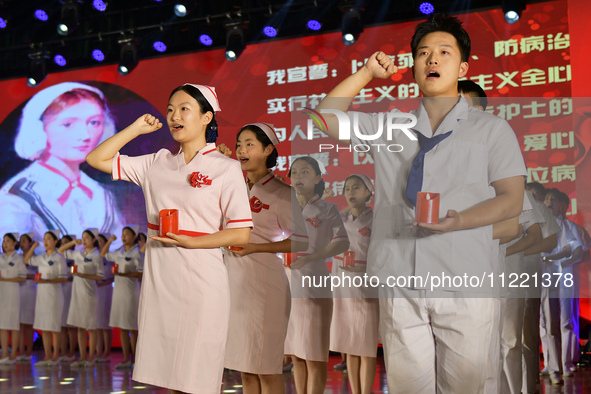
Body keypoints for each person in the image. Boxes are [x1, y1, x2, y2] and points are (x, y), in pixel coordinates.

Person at [315, 14, 526, 392]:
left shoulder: (490, 130)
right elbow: (325, 119)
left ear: (462, 67)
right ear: (413, 66)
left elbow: (511, 200)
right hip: (399, 275)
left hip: (463, 275)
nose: (432, 59)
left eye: (444, 52)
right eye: (424, 53)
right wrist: (365, 73)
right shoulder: (390, 126)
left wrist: (457, 221)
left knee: (465, 386)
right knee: (406, 386)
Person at [86, 83, 252, 394]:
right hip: (162, 283)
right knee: (171, 379)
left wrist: (194, 242)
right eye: (171, 109)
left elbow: (241, 232)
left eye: (184, 109)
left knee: (198, 378)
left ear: (206, 118)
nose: (175, 116)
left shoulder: (226, 168)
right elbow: (96, 159)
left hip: (203, 282)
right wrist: (135, 129)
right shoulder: (156, 162)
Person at [222, 123, 308, 394]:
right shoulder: (233, 188)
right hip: (234, 286)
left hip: (265, 287)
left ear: (268, 149)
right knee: (245, 368)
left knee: (266, 369)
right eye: (239, 144)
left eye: (249, 144)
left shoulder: (282, 193)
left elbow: (303, 240)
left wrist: (256, 248)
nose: (241, 150)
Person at [0, 82, 124, 247]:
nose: (85, 135)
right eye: (68, 124)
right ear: (39, 130)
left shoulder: (100, 192)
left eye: (94, 122)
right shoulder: (19, 195)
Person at [285, 156, 349, 394]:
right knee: (297, 354)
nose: (298, 177)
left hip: (314, 282)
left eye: (305, 172)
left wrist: (310, 257)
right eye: (294, 173)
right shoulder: (285, 208)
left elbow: (342, 242)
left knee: (314, 353)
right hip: (289, 283)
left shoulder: (327, 209)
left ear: (318, 178)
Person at [329, 174, 379, 394]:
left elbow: (382, 255)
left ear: (369, 192)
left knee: (366, 346)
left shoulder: (376, 220)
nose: (350, 192)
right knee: (349, 343)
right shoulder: (340, 219)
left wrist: (363, 269)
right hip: (342, 285)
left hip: (365, 286)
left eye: (356, 188)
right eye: (347, 188)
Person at [58, 228, 104, 367]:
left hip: (90, 294)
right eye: (82, 238)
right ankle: (82, 357)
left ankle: (91, 357)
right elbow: (60, 252)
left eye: (87, 238)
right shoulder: (78, 253)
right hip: (77, 293)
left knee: (91, 326)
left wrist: (84, 275)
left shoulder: (97, 256)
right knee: (80, 326)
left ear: (94, 240)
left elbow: (100, 276)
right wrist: (72, 242)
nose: (84, 241)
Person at [23, 230, 68, 366]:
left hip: (54, 294)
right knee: (45, 326)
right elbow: (27, 260)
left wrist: (48, 281)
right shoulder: (41, 257)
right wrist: (33, 247)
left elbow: (64, 277)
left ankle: (56, 356)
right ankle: (47, 356)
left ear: (56, 241)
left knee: (54, 326)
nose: (46, 241)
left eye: (49, 239)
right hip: (42, 294)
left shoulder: (59, 258)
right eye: (44, 239)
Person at [101, 227, 143, 369]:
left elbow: (141, 273)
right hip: (118, 292)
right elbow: (103, 254)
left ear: (134, 236)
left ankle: (136, 360)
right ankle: (126, 359)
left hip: (131, 293)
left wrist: (125, 274)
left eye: (127, 235)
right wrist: (110, 241)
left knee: (132, 327)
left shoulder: (137, 253)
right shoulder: (119, 251)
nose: (124, 237)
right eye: (122, 235)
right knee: (122, 327)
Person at [0, 233, 27, 364]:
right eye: (4, 241)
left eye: (8, 241)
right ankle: (5, 353)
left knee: (13, 324)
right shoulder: (1, 257)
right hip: (2, 293)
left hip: (13, 293)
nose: (5, 244)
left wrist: (6, 279)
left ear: (15, 243)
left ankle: (13, 355)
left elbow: (23, 278)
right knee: (2, 325)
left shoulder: (19, 258)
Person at [16, 232, 37, 362]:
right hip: (18, 290)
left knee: (29, 324)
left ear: (30, 243)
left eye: (24, 241)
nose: (22, 243)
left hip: (30, 290)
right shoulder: (16, 257)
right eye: (20, 241)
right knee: (19, 324)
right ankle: (20, 351)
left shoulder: (36, 257)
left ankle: (29, 352)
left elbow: (38, 275)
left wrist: (26, 277)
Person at [58, 234, 78, 362]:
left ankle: (71, 353)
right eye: (62, 242)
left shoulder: (75, 256)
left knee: (71, 324)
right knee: (61, 324)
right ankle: (63, 352)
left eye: (67, 242)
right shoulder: (58, 257)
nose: (64, 245)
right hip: (60, 290)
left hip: (71, 289)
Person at [95, 233, 114, 363]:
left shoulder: (110, 256)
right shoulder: (94, 255)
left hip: (106, 289)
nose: (100, 243)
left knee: (106, 323)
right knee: (97, 323)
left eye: (102, 241)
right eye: (99, 241)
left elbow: (115, 274)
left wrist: (106, 282)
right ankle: (98, 352)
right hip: (96, 290)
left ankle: (107, 352)